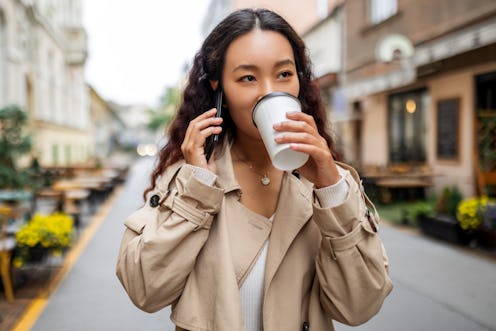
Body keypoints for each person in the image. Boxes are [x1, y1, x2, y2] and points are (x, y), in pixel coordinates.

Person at [116, 8, 393, 331]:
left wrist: (332, 190)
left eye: (284, 74)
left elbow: (360, 307)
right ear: (220, 88)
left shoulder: (329, 185)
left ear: (299, 82)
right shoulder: (190, 179)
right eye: (248, 78)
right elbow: (144, 291)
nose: (268, 91)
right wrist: (197, 193)